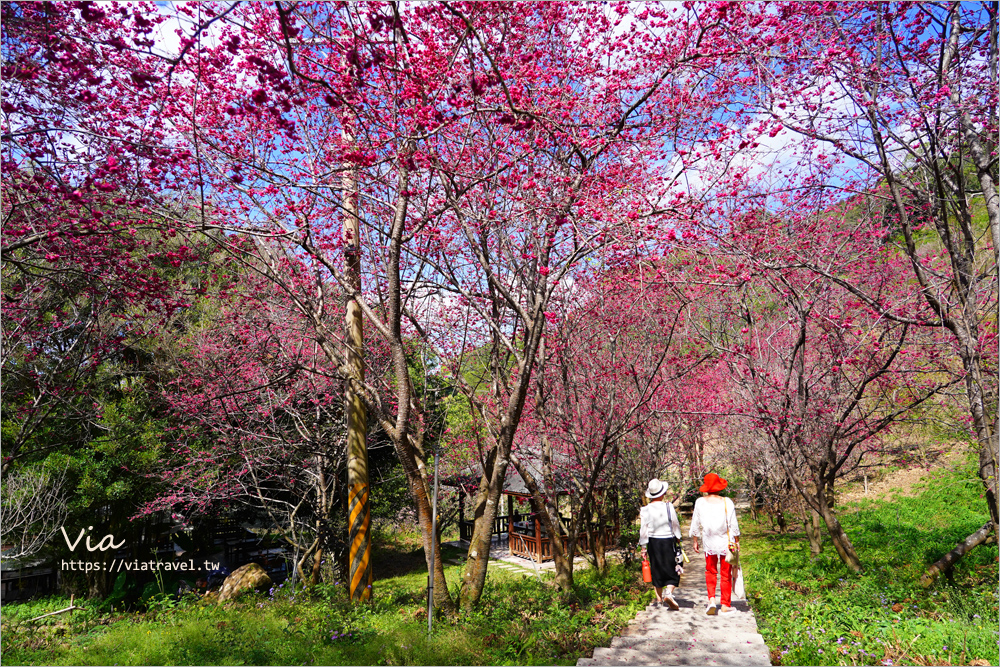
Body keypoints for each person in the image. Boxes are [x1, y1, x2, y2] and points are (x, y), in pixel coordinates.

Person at [689, 472, 740, 615]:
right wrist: (737, 541)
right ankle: (725, 605)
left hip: (709, 542)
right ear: (719, 487)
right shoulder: (727, 502)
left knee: (710, 571)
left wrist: (695, 540)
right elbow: (733, 524)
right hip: (727, 542)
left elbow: (695, 523)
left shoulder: (700, 502)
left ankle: (711, 600)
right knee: (726, 574)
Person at [638, 478, 683, 610]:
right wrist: (678, 538)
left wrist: (643, 548)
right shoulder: (668, 506)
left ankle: (659, 600)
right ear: (662, 493)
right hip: (668, 540)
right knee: (674, 567)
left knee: (656, 568)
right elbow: (675, 524)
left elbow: (643, 529)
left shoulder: (645, 510)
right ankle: (668, 592)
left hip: (653, 542)